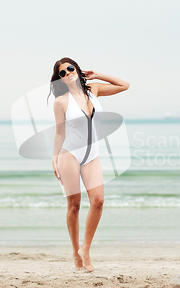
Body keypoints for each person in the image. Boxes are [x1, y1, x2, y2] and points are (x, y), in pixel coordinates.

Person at [48, 57, 129, 272]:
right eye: (62, 73)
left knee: (99, 201)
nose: (67, 74)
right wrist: (54, 157)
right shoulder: (61, 101)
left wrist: (97, 74)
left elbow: (124, 85)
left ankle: (86, 249)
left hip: (92, 155)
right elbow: (60, 133)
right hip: (69, 155)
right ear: (60, 80)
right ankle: (75, 253)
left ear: (77, 69)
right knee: (74, 205)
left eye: (70, 69)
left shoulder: (93, 89)